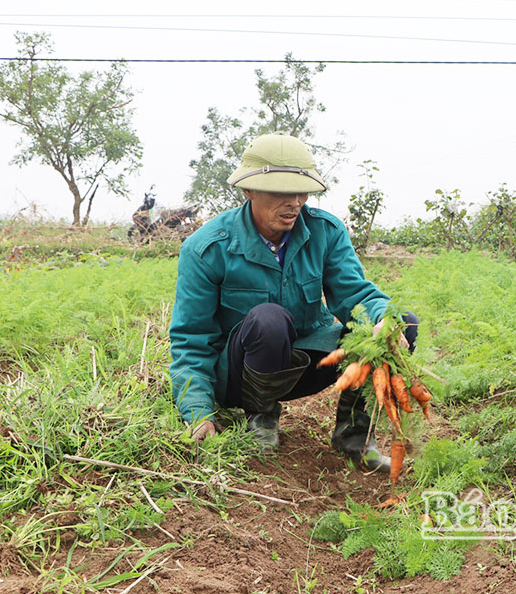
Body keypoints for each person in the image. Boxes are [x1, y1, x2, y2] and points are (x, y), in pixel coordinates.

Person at [168, 133, 417, 473]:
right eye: (281, 192)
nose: (295, 201)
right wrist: (198, 413)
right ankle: (260, 422)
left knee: (399, 322)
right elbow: (190, 339)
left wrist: (381, 318)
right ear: (248, 190)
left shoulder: (325, 232)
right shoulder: (207, 248)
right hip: (240, 376)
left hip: (306, 361)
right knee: (268, 320)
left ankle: (355, 438)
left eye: (301, 192)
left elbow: (355, 295)